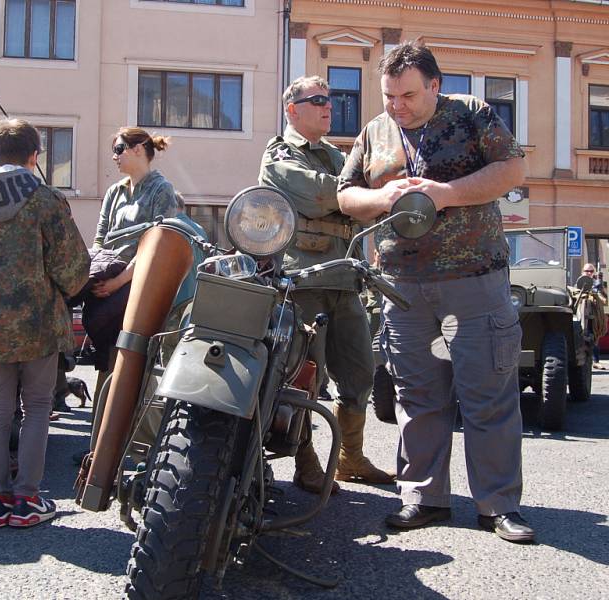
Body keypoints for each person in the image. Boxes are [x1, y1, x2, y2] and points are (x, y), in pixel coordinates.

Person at [338, 41, 535, 542]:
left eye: (407, 95)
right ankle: (423, 498)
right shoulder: (375, 132)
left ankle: (497, 506)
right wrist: (381, 197)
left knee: (487, 395)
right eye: (388, 96)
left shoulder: (472, 113)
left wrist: (445, 193)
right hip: (403, 286)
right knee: (416, 395)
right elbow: (345, 194)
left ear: (434, 85)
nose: (396, 105)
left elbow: (511, 171)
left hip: (475, 280)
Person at [258, 75, 395, 495]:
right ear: (292, 110)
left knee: (358, 373)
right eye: (316, 99)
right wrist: (350, 203)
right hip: (302, 282)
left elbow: (361, 204)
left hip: (344, 278)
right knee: (306, 380)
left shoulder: (336, 156)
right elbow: (323, 196)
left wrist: (353, 203)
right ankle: (307, 462)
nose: (327, 105)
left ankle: (349, 458)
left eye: (329, 99)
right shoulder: (278, 155)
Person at [0, 117, 89, 528]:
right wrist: (72, 291)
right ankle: (28, 498)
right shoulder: (47, 199)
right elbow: (71, 266)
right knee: (37, 408)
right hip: (39, 325)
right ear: (35, 156)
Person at [85, 127, 179, 398]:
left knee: (133, 361)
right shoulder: (115, 191)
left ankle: (131, 434)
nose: (114, 157)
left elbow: (158, 246)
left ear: (138, 149)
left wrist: (119, 281)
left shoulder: (161, 190)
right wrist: (98, 274)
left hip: (139, 288)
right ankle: (103, 434)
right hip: (107, 285)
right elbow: (100, 237)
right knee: (108, 363)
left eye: (118, 150)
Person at [581, 263, 607, 368]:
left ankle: (596, 361)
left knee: (594, 337)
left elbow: (605, 300)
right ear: (583, 271)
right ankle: (586, 361)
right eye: (587, 271)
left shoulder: (598, 284)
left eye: (591, 271)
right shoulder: (579, 283)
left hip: (594, 315)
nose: (589, 273)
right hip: (583, 315)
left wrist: (598, 288)